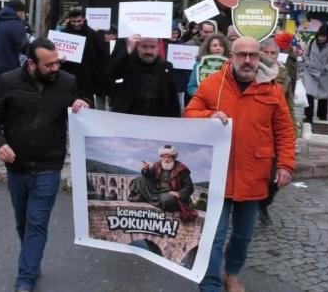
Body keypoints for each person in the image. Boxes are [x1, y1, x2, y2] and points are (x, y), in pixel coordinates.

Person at [183, 36, 296, 292]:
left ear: (259, 58)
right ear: (231, 57)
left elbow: (285, 131)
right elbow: (189, 113)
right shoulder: (213, 85)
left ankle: (232, 273)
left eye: (252, 55)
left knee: (243, 236)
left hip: (253, 175)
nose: (247, 60)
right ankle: (210, 282)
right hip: (217, 175)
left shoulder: (272, 90)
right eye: (241, 55)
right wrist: (209, 115)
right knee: (214, 234)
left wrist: (286, 165)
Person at [0, 38, 91, 292]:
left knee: (37, 222)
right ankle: (31, 258)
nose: (56, 68)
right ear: (31, 63)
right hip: (17, 166)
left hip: (48, 166)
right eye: (49, 64)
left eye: (57, 62)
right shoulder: (8, 81)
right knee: (23, 221)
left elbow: (81, 109)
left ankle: (25, 277)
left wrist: (81, 105)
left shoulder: (67, 82)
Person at [257, 37, 295, 224]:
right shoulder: (255, 72)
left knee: (275, 178)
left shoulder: (285, 73)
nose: (270, 56)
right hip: (259, 129)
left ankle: (264, 203)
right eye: (267, 52)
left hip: (277, 129)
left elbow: (289, 103)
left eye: (274, 53)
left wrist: (294, 127)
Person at [107, 34, 180, 118]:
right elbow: (110, 73)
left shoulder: (166, 68)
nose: (148, 51)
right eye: (144, 47)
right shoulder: (128, 63)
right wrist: (127, 50)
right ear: (137, 46)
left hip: (157, 121)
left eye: (152, 47)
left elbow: (173, 99)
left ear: (158, 47)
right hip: (128, 118)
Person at [127, 145, 197, 219]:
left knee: (166, 200)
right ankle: (150, 198)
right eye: (164, 157)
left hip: (170, 193)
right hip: (157, 190)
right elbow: (149, 176)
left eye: (169, 157)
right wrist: (146, 170)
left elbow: (189, 187)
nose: (166, 159)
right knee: (139, 179)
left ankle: (146, 197)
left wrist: (178, 193)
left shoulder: (181, 169)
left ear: (174, 157)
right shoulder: (157, 165)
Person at [60, 8, 108, 104]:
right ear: (70, 19)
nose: (77, 24)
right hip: (68, 74)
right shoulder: (63, 33)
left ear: (84, 19)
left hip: (86, 77)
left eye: (79, 21)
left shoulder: (92, 34)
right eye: (74, 21)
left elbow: (101, 55)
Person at [0, 0, 28, 101]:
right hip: (9, 71)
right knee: (8, 104)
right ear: (19, 12)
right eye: (23, 12)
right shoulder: (17, 25)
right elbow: (24, 47)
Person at [302, 24, 328, 123]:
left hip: (323, 74)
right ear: (317, 35)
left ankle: (322, 116)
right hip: (310, 73)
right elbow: (305, 56)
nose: (321, 38)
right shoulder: (311, 42)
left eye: (324, 36)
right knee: (309, 93)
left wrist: (327, 67)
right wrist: (308, 63)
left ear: (327, 37)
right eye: (320, 36)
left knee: (323, 96)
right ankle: (308, 116)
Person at [187, 33, 231, 97]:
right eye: (214, 45)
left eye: (221, 45)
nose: (218, 48)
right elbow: (191, 87)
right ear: (208, 48)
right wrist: (202, 94)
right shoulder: (199, 65)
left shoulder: (231, 65)